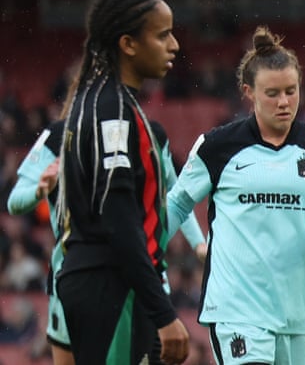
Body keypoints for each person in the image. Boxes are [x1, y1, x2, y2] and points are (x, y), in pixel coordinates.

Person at [165, 26, 305, 364]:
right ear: (248, 92)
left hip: (297, 309)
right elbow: (178, 203)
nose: (284, 102)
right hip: (236, 308)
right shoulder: (218, 146)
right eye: (272, 93)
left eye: (291, 91)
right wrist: (144, 254)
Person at [54, 0, 190, 365]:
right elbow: (118, 219)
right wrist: (162, 312)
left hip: (105, 284)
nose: (174, 45)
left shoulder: (99, 101)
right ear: (128, 44)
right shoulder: (111, 110)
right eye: (162, 35)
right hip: (112, 286)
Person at [7, 119, 207, 365]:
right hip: (74, 280)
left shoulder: (151, 133)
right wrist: (40, 189)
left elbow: (177, 196)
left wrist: (198, 244)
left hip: (141, 281)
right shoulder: (59, 135)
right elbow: (15, 202)